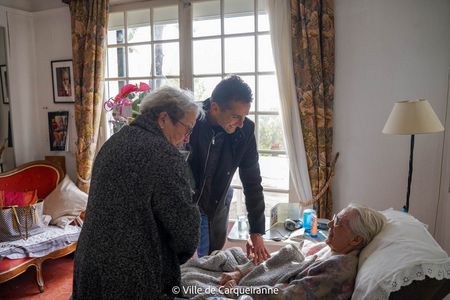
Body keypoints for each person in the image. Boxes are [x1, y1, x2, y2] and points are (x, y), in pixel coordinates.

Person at [72, 86, 203, 299]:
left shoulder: (113, 143)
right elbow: (184, 229)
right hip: (133, 274)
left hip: (90, 262)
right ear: (163, 118)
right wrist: (179, 254)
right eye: (187, 129)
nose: (187, 137)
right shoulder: (165, 155)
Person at [217, 204, 386, 299]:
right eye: (333, 219)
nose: (329, 225)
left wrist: (238, 291)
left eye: (338, 223)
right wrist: (240, 273)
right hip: (254, 280)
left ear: (355, 240)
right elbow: (286, 258)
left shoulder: (338, 270)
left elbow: (286, 297)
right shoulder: (331, 247)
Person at [187, 75, 270, 264]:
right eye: (236, 116)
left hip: (215, 206)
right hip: (185, 206)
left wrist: (256, 231)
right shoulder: (190, 118)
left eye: (244, 116)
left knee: (209, 265)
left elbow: (252, 181)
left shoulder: (245, 130)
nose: (241, 123)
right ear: (215, 108)